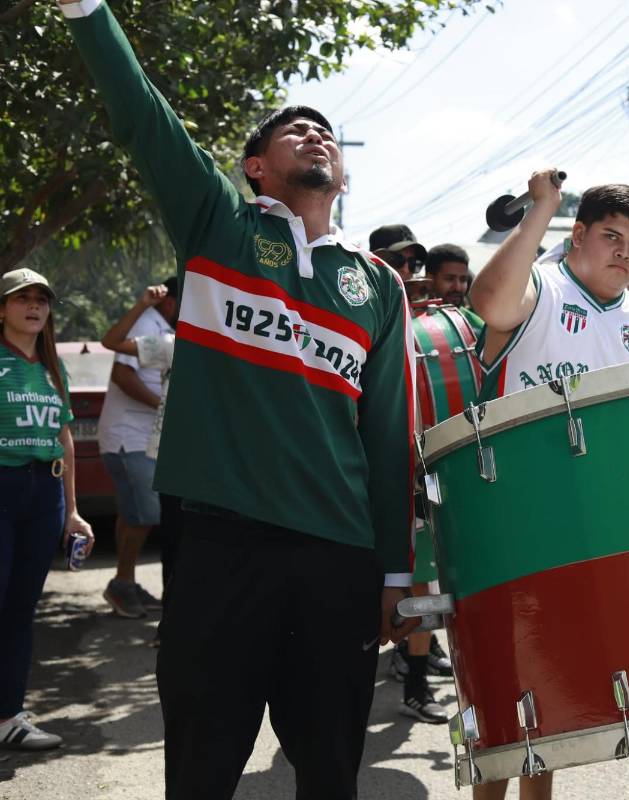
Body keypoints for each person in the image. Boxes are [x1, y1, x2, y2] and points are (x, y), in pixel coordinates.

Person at [59, 3, 420, 798]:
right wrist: (87, 12)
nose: (315, 134)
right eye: (293, 130)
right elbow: (143, 115)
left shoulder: (377, 288)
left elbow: (390, 438)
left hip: (339, 560)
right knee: (201, 770)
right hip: (221, 551)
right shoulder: (217, 224)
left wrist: (396, 570)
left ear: (346, 174)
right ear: (253, 166)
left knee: (330, 772)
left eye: (325, 131)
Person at [468, 172, 629, 799]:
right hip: (512, 515)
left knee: (550, 694)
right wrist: (542, 210)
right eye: (610, 237)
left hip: (598, 526)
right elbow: (489, 306)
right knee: (503, 691)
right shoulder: (538, 287)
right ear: (576, 236)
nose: (623, 255)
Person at [0, 268, 94, 751]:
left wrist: (72, 512)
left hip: (45, 495)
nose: (34, 306)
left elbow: (65, 440)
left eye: (41, 299)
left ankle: (9, 717)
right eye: (22, 299)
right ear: (2, 309)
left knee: (20, 611)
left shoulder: (55, 368)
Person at [368, 224, 452, 725]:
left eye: (411, 265)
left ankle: (416, 681)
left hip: (417, 471)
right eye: (396, 261)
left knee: (421, 585)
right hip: (361, 475)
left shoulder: (427, 324)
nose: (406, 273)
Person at [100, 284, 178, 646]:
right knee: (145, 514)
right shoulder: (151, 325)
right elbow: (121, 371)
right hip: (130, 437)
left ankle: (125, 582)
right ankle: (121, 585)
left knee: (133, 512)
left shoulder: (171, 336)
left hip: (146, 441)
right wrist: (166, 407)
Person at [425, 244, 473, 309]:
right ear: (429, 279)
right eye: (449, 279)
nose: (457, 288)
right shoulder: (411, 316)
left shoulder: (469, 318)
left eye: (463, 280)